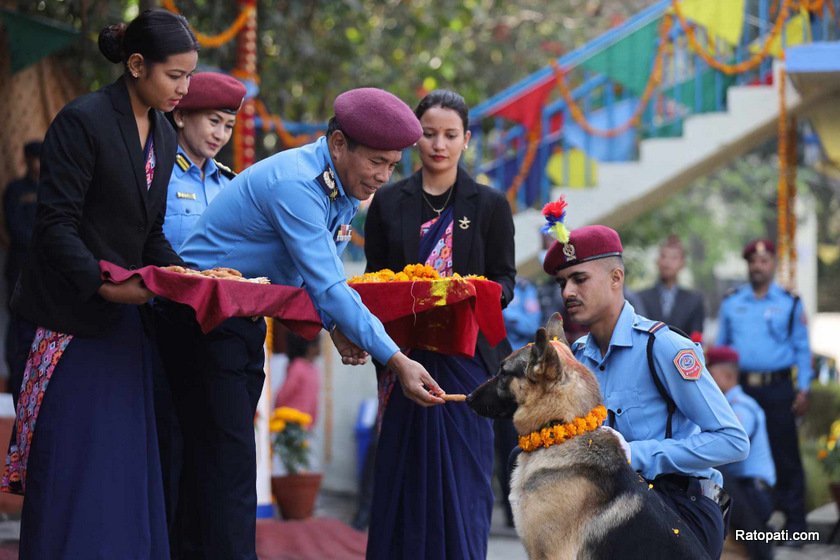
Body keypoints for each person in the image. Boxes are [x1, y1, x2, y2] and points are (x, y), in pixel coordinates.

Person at [157, 87, 445, 560]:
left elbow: (315, 271)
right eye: (376, 161)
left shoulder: (339, 184)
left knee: (217, 469)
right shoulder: (297, 184)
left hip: (239, 325)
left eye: (392, 165)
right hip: (200, 325)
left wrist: (336, 327)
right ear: (338, 145)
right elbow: (329, 284)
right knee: (223, 472)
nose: (382, 176)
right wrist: (394, 358)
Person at [0, 10, 197, 559]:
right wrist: (104, 285)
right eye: (174, 76)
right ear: (136, 65)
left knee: (122, 470)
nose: (184, 89)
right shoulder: (82, 120)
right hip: (69, 322)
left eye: (189, 77)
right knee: (71, 469)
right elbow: (53, 225)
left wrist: (186, 277)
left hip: (124, 328)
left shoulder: (162, 130)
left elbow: (149, 233)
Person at [364, 89, 516, 559]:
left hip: (467, 361)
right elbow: (375, 281)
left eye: (450, 135)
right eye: (429, 134)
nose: (439, 144)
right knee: (403, 475)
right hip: (403, 361)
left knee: (466, 480)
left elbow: (505, 280)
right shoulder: (388, 202)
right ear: (414, 138)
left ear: (467, 139)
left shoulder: (489, 204)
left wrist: (472, 295)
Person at [545, 223, 749, 560]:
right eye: (562, 282)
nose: (567, 291)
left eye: (579, 279)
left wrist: (638, 454)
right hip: (610, 512)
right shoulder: (577, 357)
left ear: (616, 278)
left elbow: (732, 440)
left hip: (678, 508)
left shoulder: (664, 347)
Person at [717, 238, 812, 542]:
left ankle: (795, 525)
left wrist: (805, 388)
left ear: (772, 264)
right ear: (748, 265)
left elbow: (802, 348)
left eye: (764, 261)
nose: (758, 266)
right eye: (753, 262)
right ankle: (750, 524)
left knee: (785, 455)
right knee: (738, 455)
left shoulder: (789, 302)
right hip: (742, 389)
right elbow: (722, 348)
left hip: (779, 388)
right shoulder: (732, 303)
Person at [706, 345, 776, 560]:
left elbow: (726, 449)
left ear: (728, 376)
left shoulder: (741, 407)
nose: (706, 378)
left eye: (711, 373)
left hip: (753, 492)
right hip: (740, 489)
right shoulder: (725, 406)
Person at [164, 71, 246, 252]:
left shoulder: (228, 184)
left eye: (229, 126)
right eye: (214, 121)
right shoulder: (157, 173)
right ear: (181, 117)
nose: (220, 135)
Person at [2, 141, 41, 401]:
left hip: (44, 271)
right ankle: (15, 380)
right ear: (25, 160)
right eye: (34, 159)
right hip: (19, 266)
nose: (38, 165)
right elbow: (15, 228)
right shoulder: (15, 190)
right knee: (18, 326)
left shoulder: (53, 190)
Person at [637, 235, 706, 340]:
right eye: (663, 256)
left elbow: (696, 340)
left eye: (673, 258)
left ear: (682, 263)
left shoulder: (694, 301)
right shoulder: (641, 298)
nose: (667, 262)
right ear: (657, 261)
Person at [275, 331, 321, 424]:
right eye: (318, 344)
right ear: (310, 347)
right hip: (290, 424)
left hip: (304, 424)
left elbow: (313, 399)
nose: (320, 347)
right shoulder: (297, 366)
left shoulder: (313, 369)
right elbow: (283, 394)